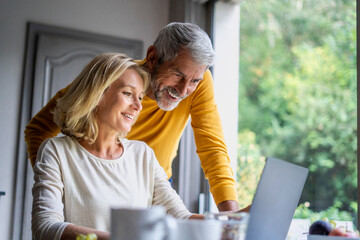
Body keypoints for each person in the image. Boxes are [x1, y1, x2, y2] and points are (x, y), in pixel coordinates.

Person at [25, 22, 240, 212]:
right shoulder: (114, 78)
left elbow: (213, 149)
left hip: (156, 185)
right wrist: (53, 185)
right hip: (99, 185)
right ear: (153, 57)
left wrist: (231, 218)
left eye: (193, 81)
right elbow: (38, 130)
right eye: (177, 75)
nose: (184, 91)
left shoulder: (199, 82)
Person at [32, 53, 201, 240]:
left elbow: (181, 217)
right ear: (97, 95)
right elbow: (45, 228)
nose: (138, 106)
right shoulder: (56, 151)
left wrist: (233, 219)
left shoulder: (142, 154)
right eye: (128, 94)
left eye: (140, 97)